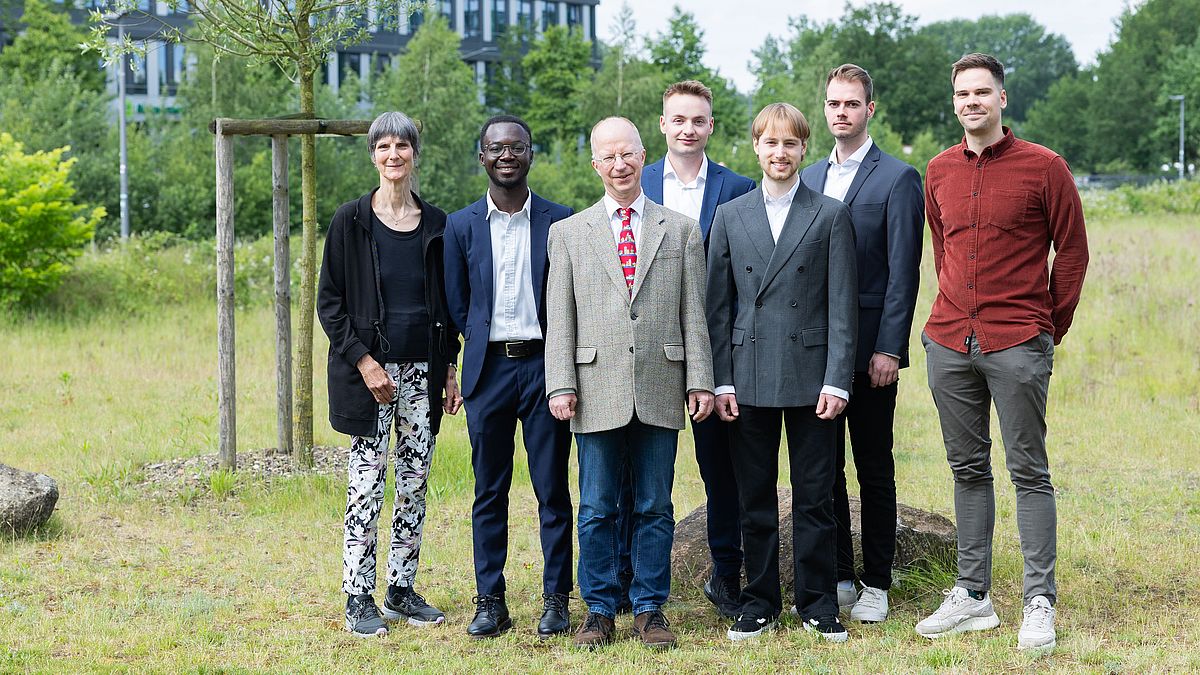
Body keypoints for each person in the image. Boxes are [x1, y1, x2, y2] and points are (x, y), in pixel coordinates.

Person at [914, 53, 1088, 652]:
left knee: (1028, 471)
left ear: (1002, 99)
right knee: (967, 469)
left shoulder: (1045, 168)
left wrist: (1047, 329)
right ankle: (973, 595)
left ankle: (1039, 601)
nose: (972, 102)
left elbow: (1072, 253)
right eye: (962, 93)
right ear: (954, 102)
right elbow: (943, 249)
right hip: (948, 340)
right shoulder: (938, 170)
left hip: (1018, 340)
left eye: (982, 92)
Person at [544, 117, 715, 650]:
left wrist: (700, 380)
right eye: (608, 157)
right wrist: (559, 383)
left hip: (661, 382)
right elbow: (560, 318)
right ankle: (598, 609)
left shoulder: (680, 230)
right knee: (596, 506)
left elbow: (694, 314)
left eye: (628, 155)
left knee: (654, 506)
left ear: (644, 156)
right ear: (595, 164)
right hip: (594, 386)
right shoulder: (569, 233)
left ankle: (649, 607)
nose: (619, 165)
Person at [706, 102, 857, 643]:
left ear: (803, 148)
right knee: (755, 498)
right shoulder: (730, 215)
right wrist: (721, 379)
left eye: (790, 143)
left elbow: (843, 306)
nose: (780, 152)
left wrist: (838, 379)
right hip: (746, 376)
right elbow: (717, 307)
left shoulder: (830, 214)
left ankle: (818, 603)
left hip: (813, 376)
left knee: (815, 498)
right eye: (770, 142)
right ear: (756, 147)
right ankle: (760, 602)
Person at [610, 79, 755, 619]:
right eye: (679, 120)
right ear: (662, 125)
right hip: (646, 351)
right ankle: (627, 578)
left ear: (710, 126)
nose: (688, 129)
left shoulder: (738, 187)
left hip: (714, 348)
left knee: (722, 470)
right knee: (634, 474)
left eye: (698, 120)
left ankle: (726, 574)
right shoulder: (636, 180)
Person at [317, 111, 462, 638]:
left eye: (402, 145)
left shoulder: (438, 223)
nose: (393, 154)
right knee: (366, 486)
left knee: (414, 484)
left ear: (414, 154)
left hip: (424, 372)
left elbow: (448, 302)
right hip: (369, 376)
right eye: (384, 146)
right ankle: (357, 597)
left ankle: (400, 589)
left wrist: (449, 368)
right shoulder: (350, 220)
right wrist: (364, 361)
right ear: (373, 155)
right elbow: (329, 303)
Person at [800, 64, 924, 624]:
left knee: (873, 466)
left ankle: (877, 580)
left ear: (869, 109)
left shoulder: (898, 178)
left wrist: (890, 349)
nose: (841, 112)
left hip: (871, 349)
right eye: (834, 103)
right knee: (823, 470)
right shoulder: (807, 177)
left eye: (852, 103)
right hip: (816, 350)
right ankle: (840, 575)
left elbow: (903, 273)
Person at [444, 115, 575, 640]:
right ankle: (490, 602)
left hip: (546, 368)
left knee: (552, 490)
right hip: (488, 372)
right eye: (496, 148)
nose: (506, 155)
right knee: (489, 491)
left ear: (530, 155)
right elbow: (456, 304)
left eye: (516, 147)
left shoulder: (561, 221)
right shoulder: (460, 226)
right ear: (482, 157)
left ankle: (556, 600)